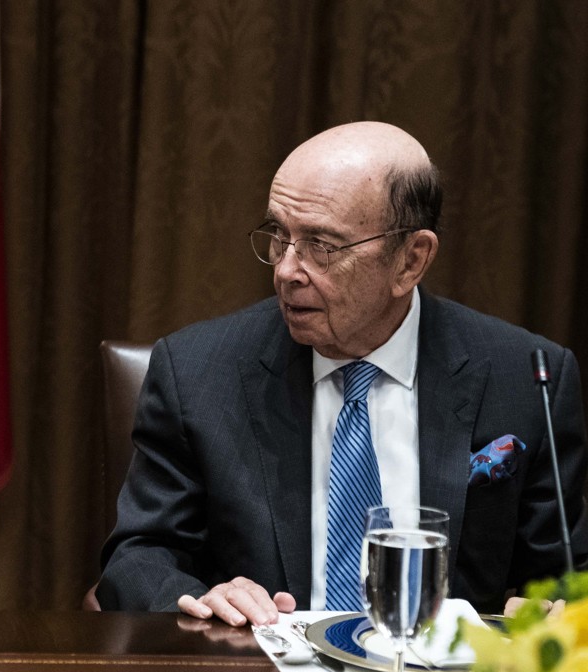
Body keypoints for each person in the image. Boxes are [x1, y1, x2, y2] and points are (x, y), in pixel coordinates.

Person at [97, 121, 586, 625]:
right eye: (279, 236)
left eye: (322, 246)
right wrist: (200, 599)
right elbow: (138, 557)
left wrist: (556, 614)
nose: (287, 269)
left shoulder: (528, 378)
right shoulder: (198, 371)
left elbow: (568, 573)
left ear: (411, 261)